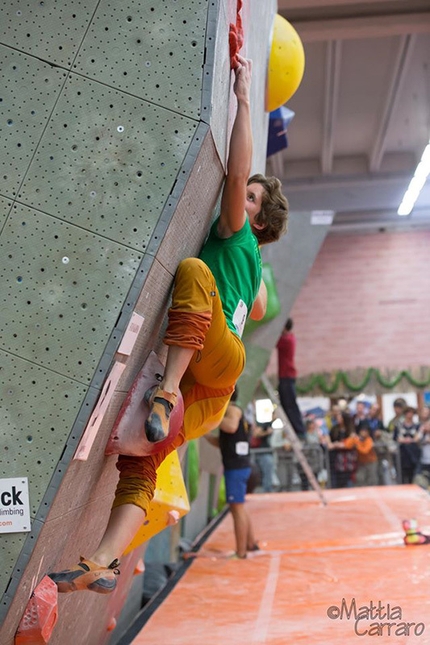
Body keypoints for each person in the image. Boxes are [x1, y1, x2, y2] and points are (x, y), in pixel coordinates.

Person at [48, 56, 288, 594]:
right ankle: (105, 562)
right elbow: (261, 301)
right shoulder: (254, 262)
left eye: (248, 199)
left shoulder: (235, 233)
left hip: (214, 365)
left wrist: (245, 97)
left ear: (256, 220)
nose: (237, 198)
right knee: (143, 459)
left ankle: (165, 390)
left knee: (193, 270)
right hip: (211, 391)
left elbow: (238, 166)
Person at [205, 389, 258, 558]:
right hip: (239, 465)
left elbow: (231, 426)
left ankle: (241, 552)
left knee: (237, 509)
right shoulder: (231, 412)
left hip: (236, 467)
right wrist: (204, 432)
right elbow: (221, 442)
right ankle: (250, 544)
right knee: (240, 507)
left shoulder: (232, 410)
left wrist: (211, 417)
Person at [276, 318, 306, 440]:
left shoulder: (286, 340)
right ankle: (297, 429)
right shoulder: (290, 338)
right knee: (286, 404)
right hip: (286, 376)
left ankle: (299, 430)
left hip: (287, 376)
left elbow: (274, 341)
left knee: (290, 405)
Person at [342, 421, 378, 487]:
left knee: (372, 479)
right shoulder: (357, 439)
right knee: (359, 478)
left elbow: (365, 451)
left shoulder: (369, 440)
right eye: (362, 431)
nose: (363, 433)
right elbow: (347, 445)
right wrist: (352, 437)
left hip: (371, 462)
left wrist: (357, 444)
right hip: (361, 462)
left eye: (365, 431)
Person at [393, 406, 421, 484]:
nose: (410, 415)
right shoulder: (399, 426)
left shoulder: (417, 426)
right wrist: (406, 440)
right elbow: (396, 438)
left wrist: (410, 440)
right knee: (402, 476)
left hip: (413, 455)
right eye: (408, 413)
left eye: (412, 413)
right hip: (403, 454)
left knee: (413, 476)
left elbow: (418, 438)